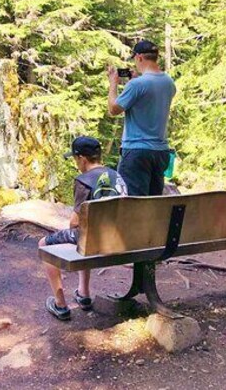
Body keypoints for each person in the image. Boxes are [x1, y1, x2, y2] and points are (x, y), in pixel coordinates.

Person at [39, 136, 124, 320]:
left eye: (75, 159)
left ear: (82, 158)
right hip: (121, 238)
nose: (76, 163)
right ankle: (83, 294)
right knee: (84, 237)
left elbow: (74, 223)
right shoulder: (117, 176)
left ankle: (60, 304)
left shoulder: (84, 180)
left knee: (44, 243)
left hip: (94, 239)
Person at [107, 40, 176, 196]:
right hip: (161, 152)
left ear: (139, 57)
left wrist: (113, 83)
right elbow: (147, 104)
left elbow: (113, 109)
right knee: (153, 204)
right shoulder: (169, 83)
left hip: (136, 151)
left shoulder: (137, 85)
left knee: (132, 204)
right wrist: (134, 81)